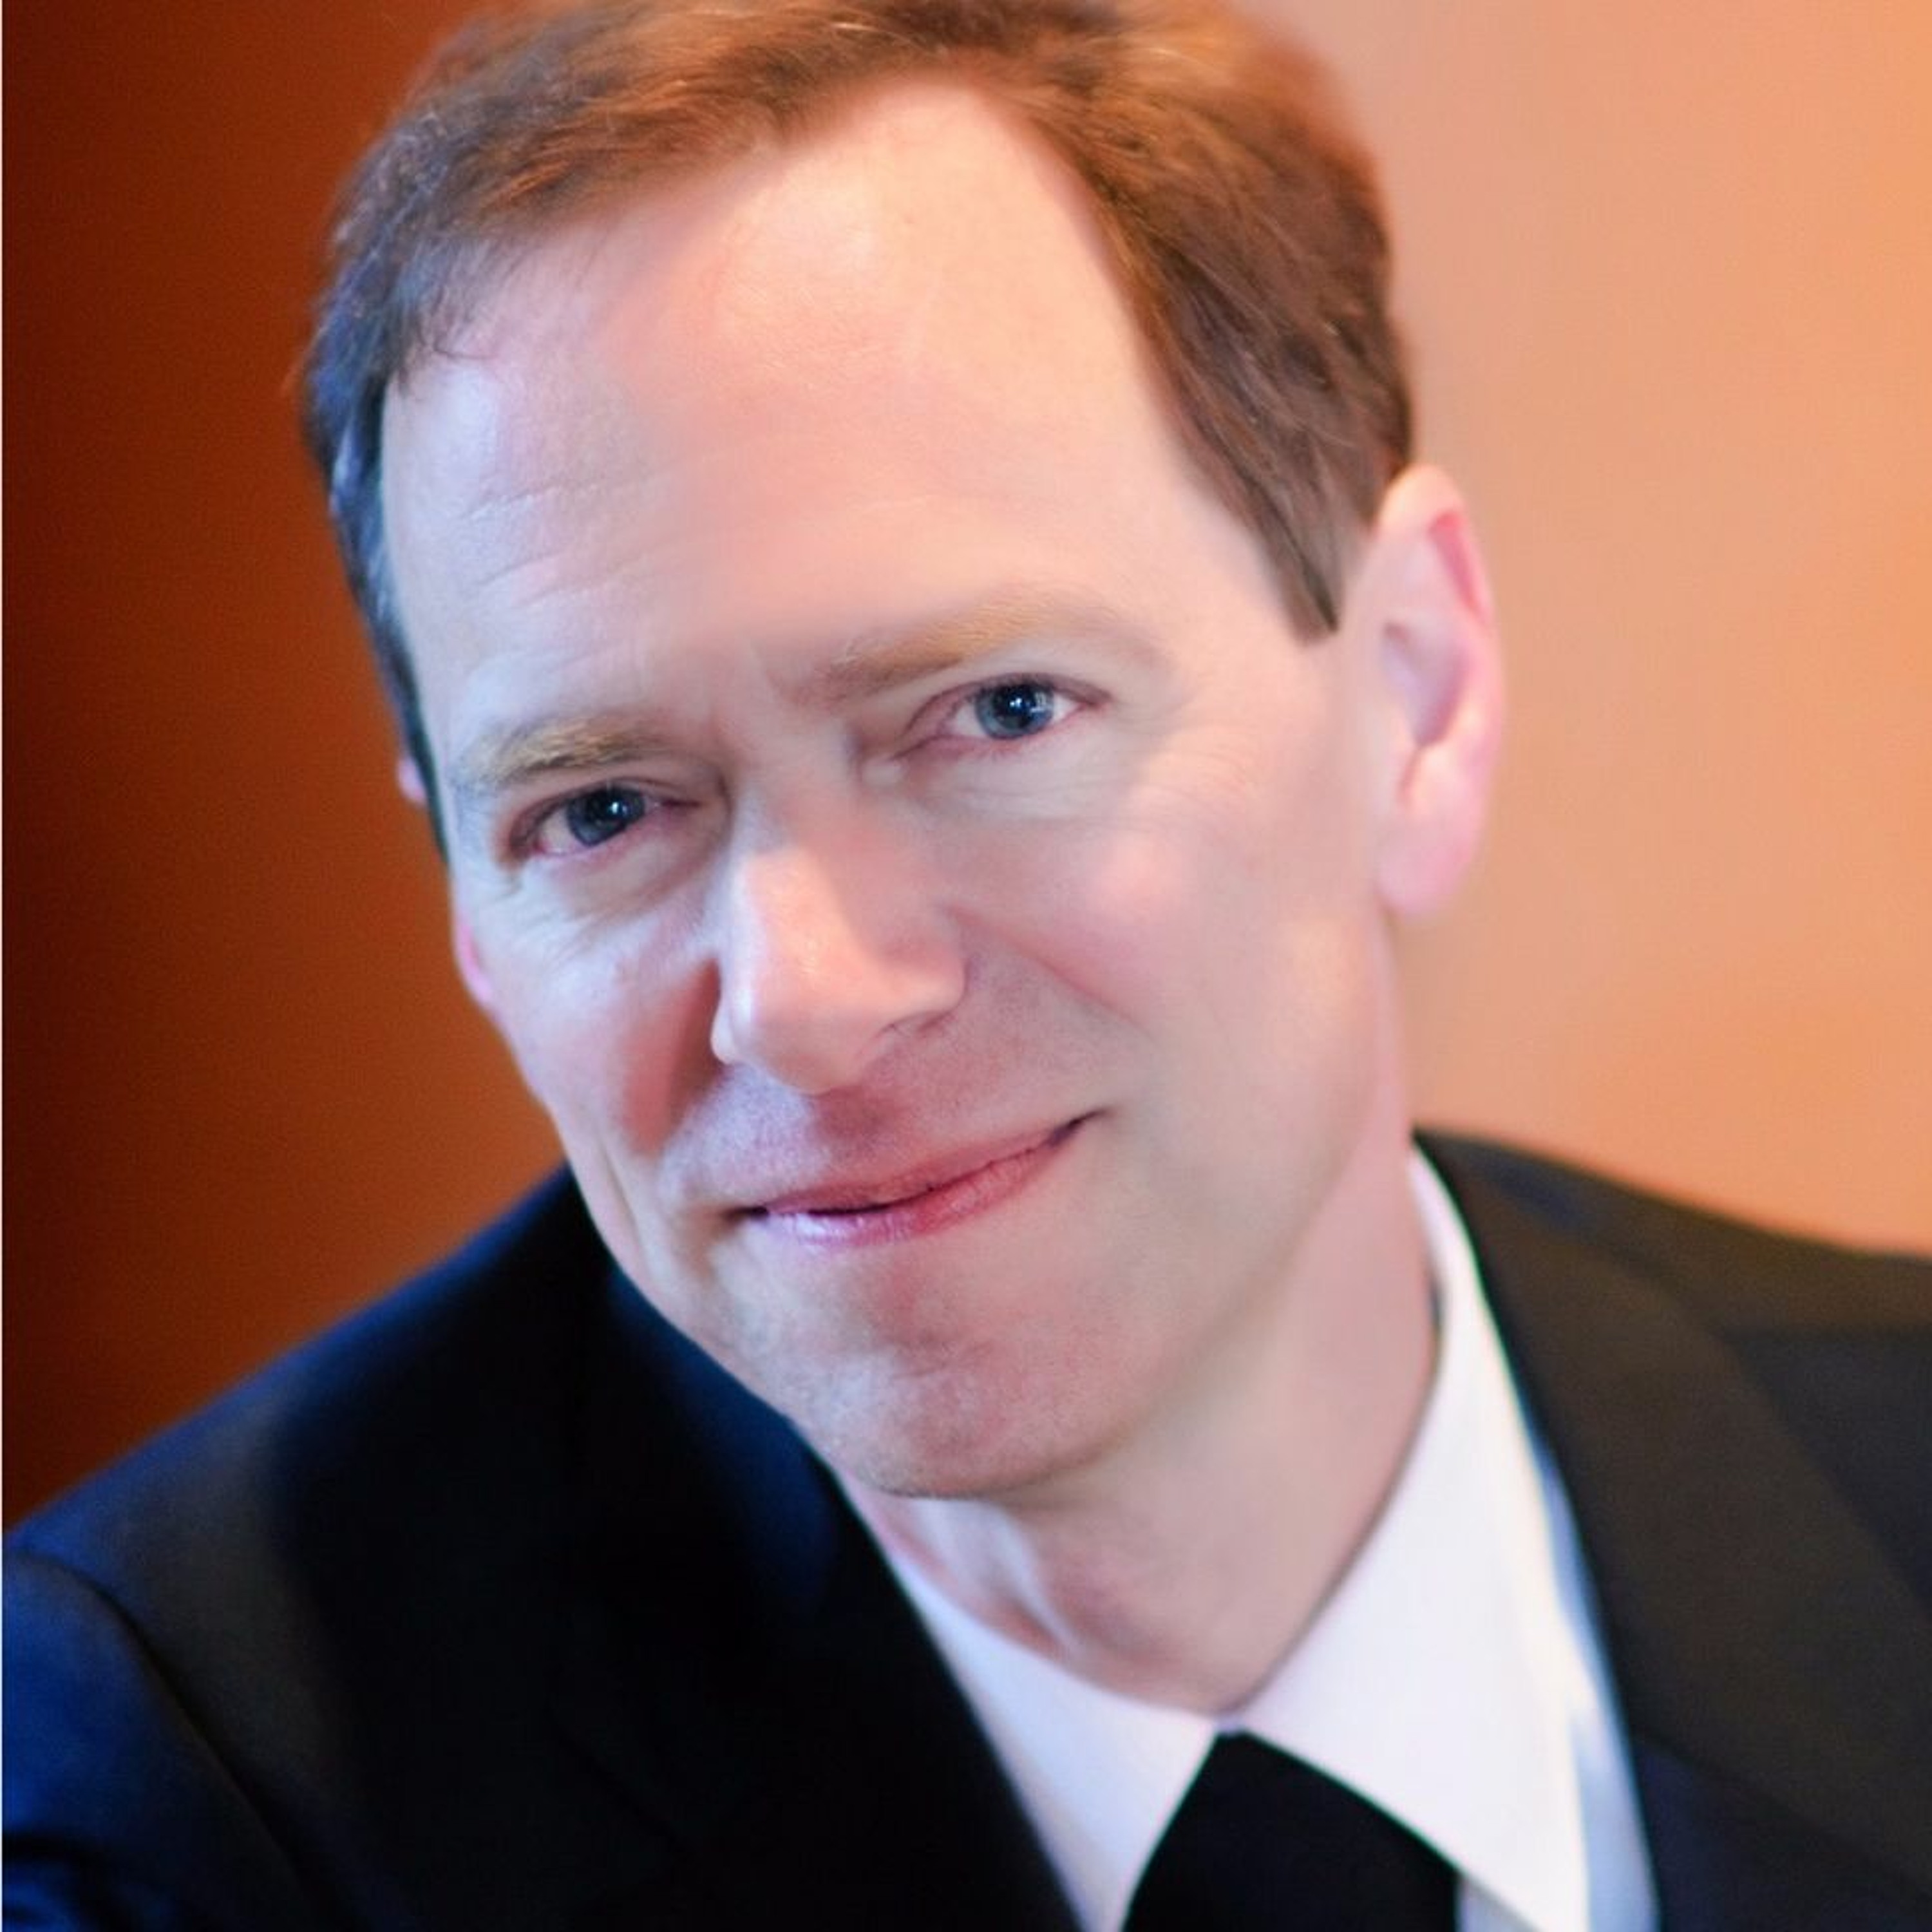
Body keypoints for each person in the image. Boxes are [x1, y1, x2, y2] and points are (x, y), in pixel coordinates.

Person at [6, 1, 1928, 1926]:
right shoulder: (204, 1807)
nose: (803, 997)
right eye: (603, 810)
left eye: (996, 712)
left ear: (1414, 700)